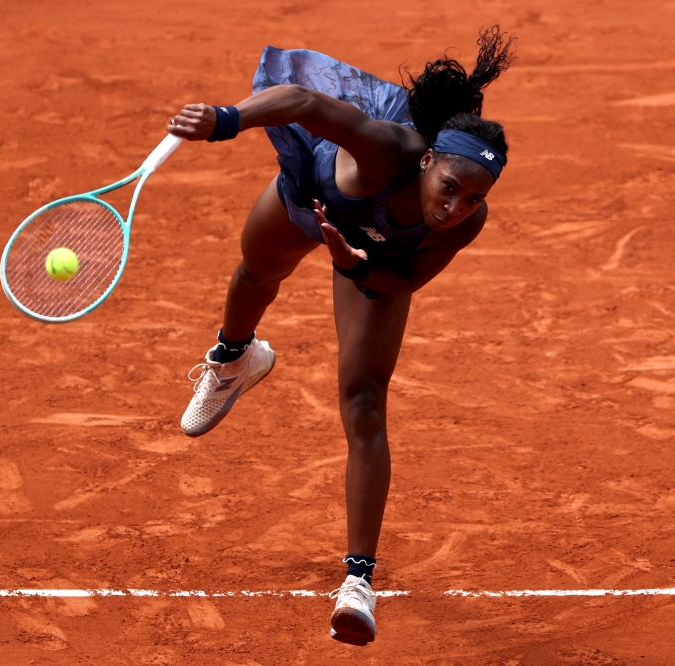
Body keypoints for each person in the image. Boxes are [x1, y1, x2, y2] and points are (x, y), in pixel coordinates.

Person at [166, 27, 513, 646]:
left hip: (367, 258)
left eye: (472, 199)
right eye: (450, 189)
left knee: (363, 403)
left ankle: (358, 582)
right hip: (313, 199)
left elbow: (399, 282)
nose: (455, 207)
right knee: (256, 272)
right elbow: (301, 101)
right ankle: (235, 359)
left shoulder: (465, 224)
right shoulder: (384, 147)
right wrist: (225, 119)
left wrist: (350, 262)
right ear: (428, 160)